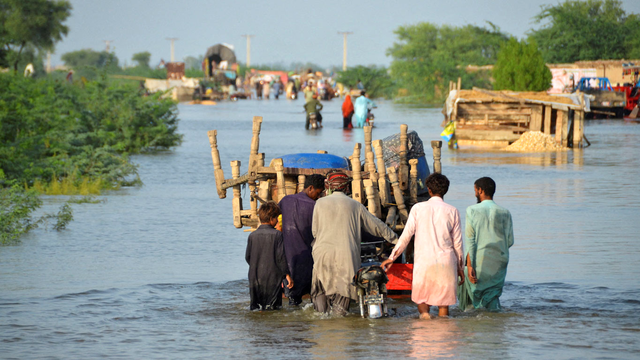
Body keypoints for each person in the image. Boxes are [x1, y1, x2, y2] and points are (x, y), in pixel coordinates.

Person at [311, 171, 398, 316]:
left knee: (320, 291)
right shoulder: (355, 205)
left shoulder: (319, 203)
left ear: (329, 187)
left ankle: (322, 318)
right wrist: (396, 239)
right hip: (346, 256)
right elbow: (377, 226)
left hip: (322, 254)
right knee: (343, 297)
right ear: (347, 188)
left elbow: (315, 231)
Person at [381, 173, 464, 319]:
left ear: (428, 190)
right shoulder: (453, 211)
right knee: (443, 305)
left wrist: (392, 257)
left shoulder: (418, 209)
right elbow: (458, 244)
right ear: (446, 190)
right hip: (446, 262)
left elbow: (406, 236)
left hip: (424, 262)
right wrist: (460, 268)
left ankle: (424, 321)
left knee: (422, 299)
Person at [458, 177, 514, 311]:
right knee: (493, 295)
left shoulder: (472, 210)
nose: (475, 193)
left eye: (475, 190)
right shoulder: (505, 212)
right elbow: (510, 241)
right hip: (500, 260)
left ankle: (474, 320)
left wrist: (470, 265)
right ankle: (495, 325)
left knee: (472, 292)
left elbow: (471, 240)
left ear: (480, 190)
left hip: (480, 259)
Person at [278, 174, 325, 306]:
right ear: (310, 188)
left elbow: (276, 219)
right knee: (314, 296)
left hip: (288, 258)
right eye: (318, 192)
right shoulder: (314, 206)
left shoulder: (286, 200)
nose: (319, 196)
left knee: (293, 299)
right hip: (307, 257)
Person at [245, 202, 294, 311]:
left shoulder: (252, 236)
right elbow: (280, 257)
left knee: (256, 308)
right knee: (273, 309)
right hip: (272, 278)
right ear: (271, 218)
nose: (277, 221)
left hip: (255, 277)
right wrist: (287, 275)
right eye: (276, 218)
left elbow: (248, 257)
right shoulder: (277, 235)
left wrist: (257, 266)